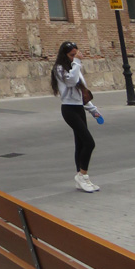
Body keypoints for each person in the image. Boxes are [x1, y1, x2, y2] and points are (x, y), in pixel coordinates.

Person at [50, 41, 103, 192]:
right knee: (89, 142)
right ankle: (82, 176)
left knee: (80, 144)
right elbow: (71, 81)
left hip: (79, 108)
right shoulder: (59, 69)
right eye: (72, 55)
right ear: (65, 55)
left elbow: (81, 92)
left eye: (76, 54)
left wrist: (93, 110)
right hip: (69, 110)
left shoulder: (75, 67)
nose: (75, 57)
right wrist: (77, 62)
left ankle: (81, 177)